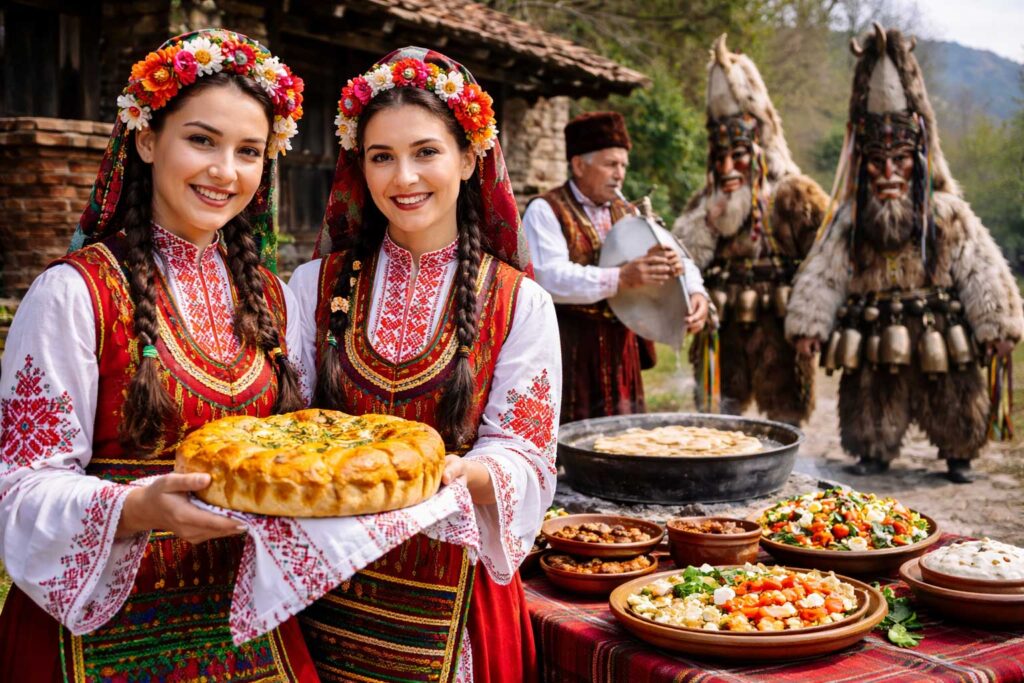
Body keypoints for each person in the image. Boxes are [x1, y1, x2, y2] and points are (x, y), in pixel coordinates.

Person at [0, 29, 320, 681]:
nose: (224, 171)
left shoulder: (275, 300)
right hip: (103, 633)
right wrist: (138, 508)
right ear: (146, 139)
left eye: (249, 150)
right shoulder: (72, 294)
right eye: (201, 140)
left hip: (252, 636)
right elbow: (19, 489)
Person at [289, 47, 561, 682]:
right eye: (382, 156)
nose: (403, 177)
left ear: (470, 158)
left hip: (452, 599)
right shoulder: (311, 286)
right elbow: (283, 424)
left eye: (426, 152)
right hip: (318, 591)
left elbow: (525, 452)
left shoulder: (520, 302)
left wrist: (464, 471)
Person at [786, 24, 1023, 482]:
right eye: (877, 162)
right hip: (873, 331)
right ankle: (872, 450)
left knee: (956, 390)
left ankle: (959, 451)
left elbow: (980, 268)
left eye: (901, 161)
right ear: (863, 163)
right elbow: (824, 274)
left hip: (942, 326)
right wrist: (808, 324)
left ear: (920, 160)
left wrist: (997, 324)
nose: (889, 172)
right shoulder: (850, 221)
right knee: (871, 394)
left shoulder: (948, 211)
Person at [672, 35, 828, 423]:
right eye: (720, 158)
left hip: (778, 328)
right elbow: (680, 261)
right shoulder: (702, 203)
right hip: (722, 332)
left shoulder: (796, 195)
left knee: (784, 422)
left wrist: (811, 322)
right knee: (718, 421)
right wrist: (710, 218)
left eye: (738, 155)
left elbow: (825, 263)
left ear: (758, 150)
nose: (728, 169)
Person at [522, 111, 708, 423]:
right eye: (610, 164)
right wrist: (621, 278)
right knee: (570, 439)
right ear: (579, 165)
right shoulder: (545, 209)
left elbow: (678, 255)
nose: (620, 174)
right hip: (570, 346)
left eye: (623, 165)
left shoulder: (629, 211)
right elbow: (547, 277)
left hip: (622, 348)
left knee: (624, 440)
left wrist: (694, 290)